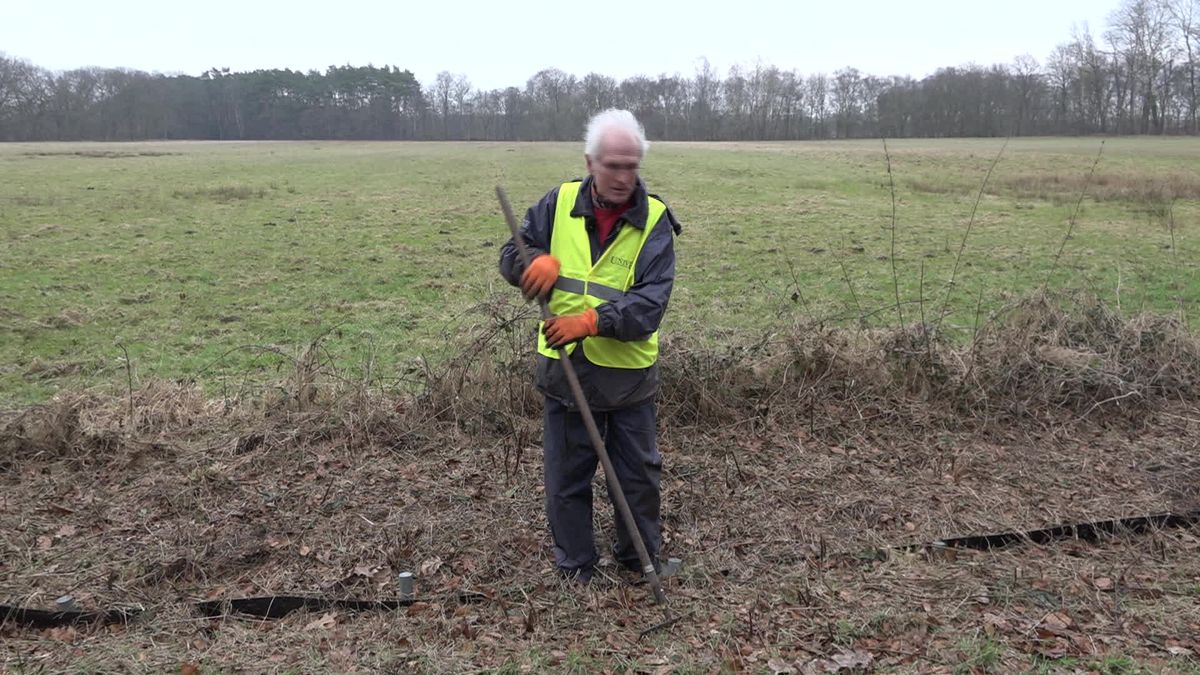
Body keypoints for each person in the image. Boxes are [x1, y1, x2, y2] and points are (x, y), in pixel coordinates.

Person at [499, 109, 681, 583]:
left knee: (638, 479)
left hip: (629, 379)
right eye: (613, 166)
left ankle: (637, 558)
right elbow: (511, 251)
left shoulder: (656, 221)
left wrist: (592, 320)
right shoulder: (556, 204)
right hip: (567, 372)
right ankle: (576, 566)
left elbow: (649, 305)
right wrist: (530, 263)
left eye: (632, 166)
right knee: (566, 478)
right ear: (590, 162)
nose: (623, 177)